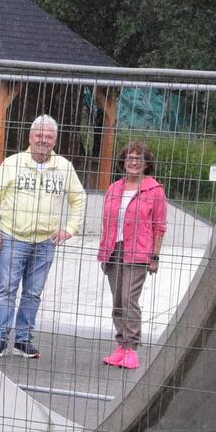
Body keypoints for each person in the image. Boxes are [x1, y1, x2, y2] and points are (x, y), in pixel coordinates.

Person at [0, 114, 85, 358]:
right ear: (30, 137)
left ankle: (23, 339)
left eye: (48, 137)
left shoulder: (64, 167)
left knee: (33, 292)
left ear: (55, 141)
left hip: (45, 242)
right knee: (7, 288)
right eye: (39, 135)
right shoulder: (13, 163)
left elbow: (78, 198)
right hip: (13, 237)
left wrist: (71, 228)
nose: (43, 140)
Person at [96, 141, 168, 370]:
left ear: (146, 165)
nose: (134, 162)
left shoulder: (154, 190)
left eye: (139, 159)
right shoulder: (114, 188)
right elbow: (106, 222)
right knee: (117, 301)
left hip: (137, 252)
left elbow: (160, 226)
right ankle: (121, 345)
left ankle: (132, 348)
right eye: (130, 158)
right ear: (123, 162)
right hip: (113, 250)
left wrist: (154, 257)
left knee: (129, 299)